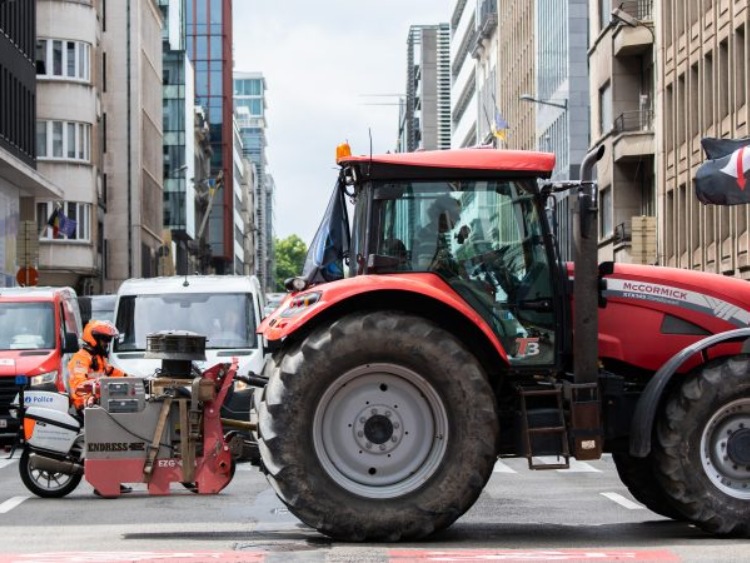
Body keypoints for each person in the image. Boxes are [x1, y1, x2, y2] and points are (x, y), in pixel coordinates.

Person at [68, 320, 126, 410]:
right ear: (94, 338)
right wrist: (102, 385)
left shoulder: (98, 357)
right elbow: (79, 385)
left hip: (99, 403)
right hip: (85, 405)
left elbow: (112, 371)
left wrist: (131, 378)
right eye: (105, 339)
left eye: (109, 340)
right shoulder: (81, 358)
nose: (107, 344)